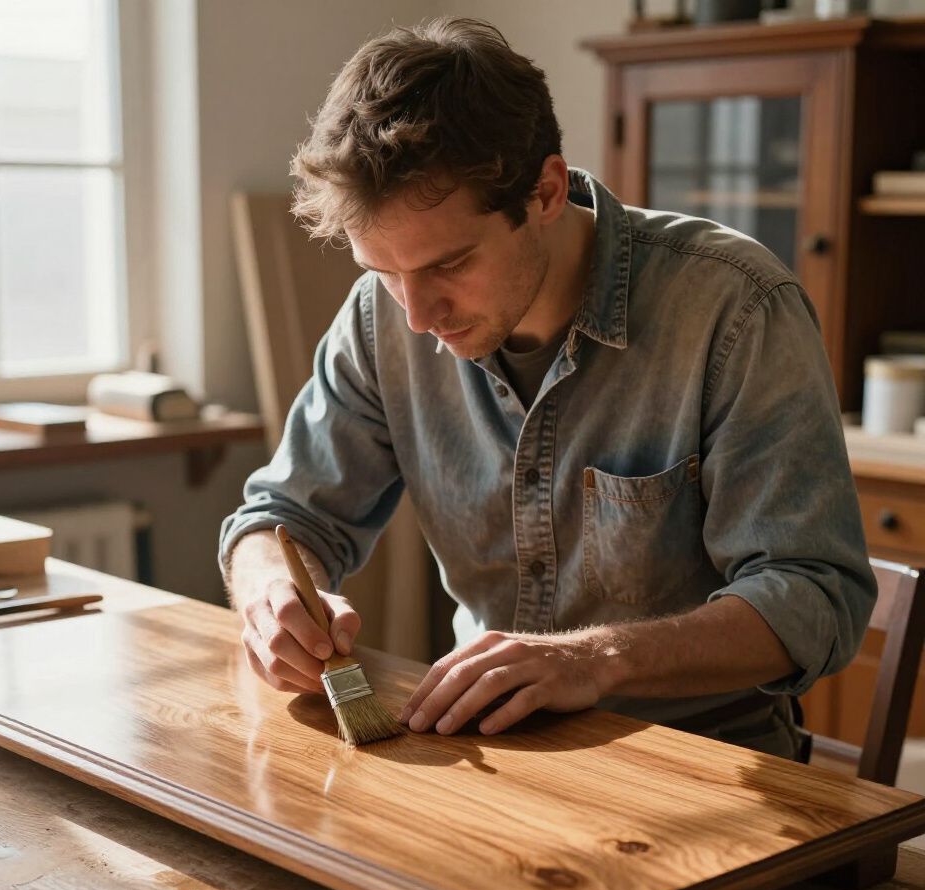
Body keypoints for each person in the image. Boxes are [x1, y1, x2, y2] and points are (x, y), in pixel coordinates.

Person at [219, 16, 874, 758]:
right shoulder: (383, 318)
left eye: (448, 265)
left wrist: (590, 660)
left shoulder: (735, 308)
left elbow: (816, 597)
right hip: (492, 752)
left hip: (703, 760)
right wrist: (270, 594)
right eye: (384, 272)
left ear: (547, 191)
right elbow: (279, 517)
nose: (418, 314)